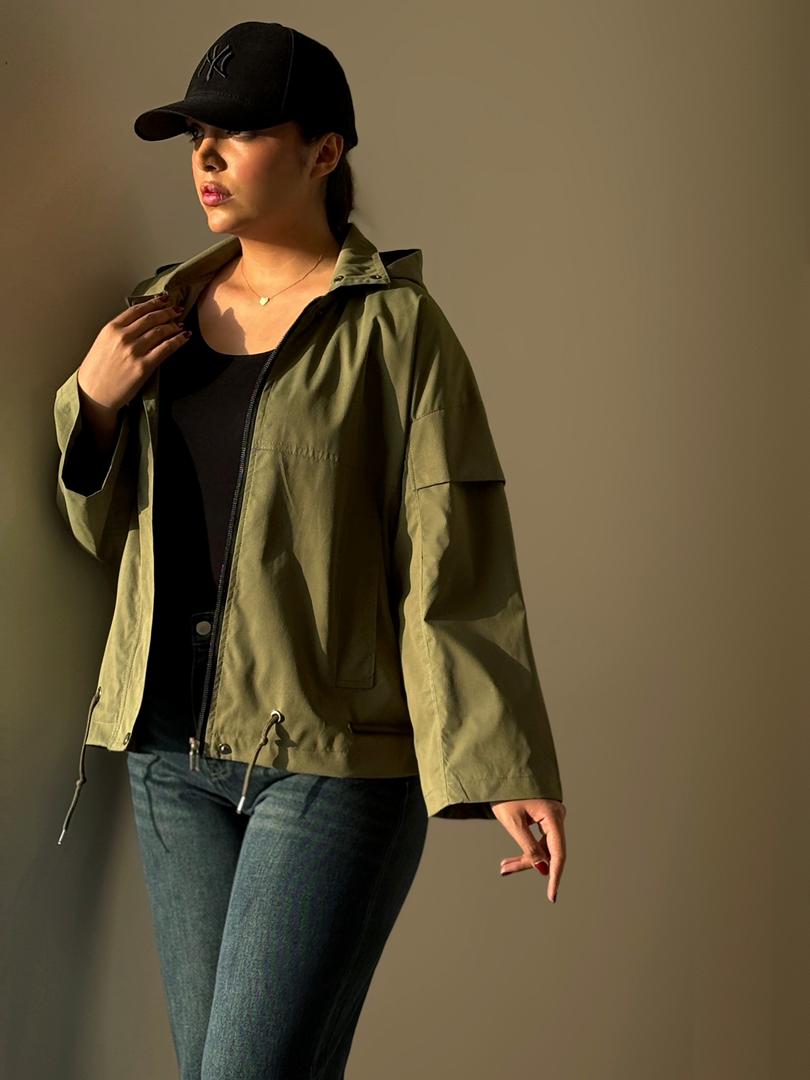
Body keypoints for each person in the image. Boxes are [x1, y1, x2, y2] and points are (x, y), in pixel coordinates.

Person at [51, 20, 568, 1079]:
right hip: (169, 761)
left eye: (238, 132)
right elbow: (102, 533)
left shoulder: (398, 332)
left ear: (324, 152)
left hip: (329, 764)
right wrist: (93, 408)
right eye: (195, 135)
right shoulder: (157, 317)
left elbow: (453, 561)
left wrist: (505, 760)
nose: (205, 155)